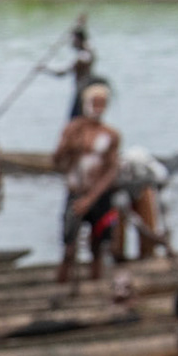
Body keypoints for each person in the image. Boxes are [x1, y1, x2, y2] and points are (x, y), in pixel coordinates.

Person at [52, 79, 121, 294]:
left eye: (102, 103)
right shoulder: (72, 130)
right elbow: (57, 162)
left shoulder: (110, 135)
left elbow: (111, 170)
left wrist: (91, 198)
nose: (97, 108)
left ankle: (95, 287)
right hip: (74, 193)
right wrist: (67, 147)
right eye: (94, 102)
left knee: (98, 246)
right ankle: (62, 289)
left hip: (99, 196)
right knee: (69, 246)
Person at [49, 17, 95, 119]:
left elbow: (62, 73)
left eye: (73, 40)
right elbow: (85, 38)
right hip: (83, 92)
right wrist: (80, 25)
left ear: (78, 40)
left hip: (81, 94)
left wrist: (45, 70)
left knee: (75, 121)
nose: (71, 43)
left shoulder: (83, 57)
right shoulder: (88, 49)